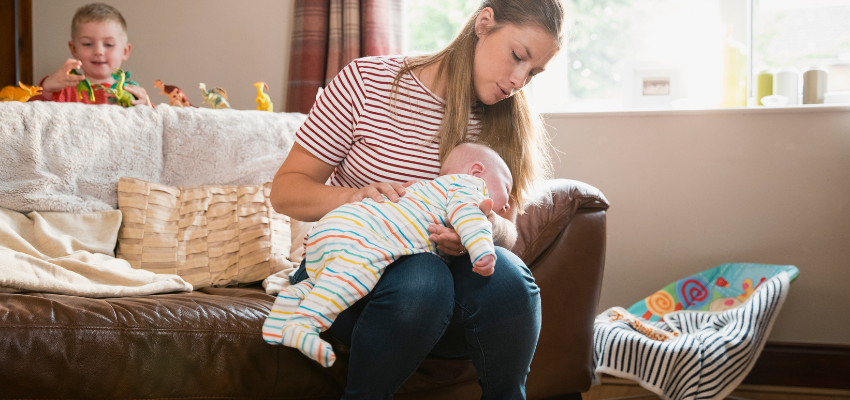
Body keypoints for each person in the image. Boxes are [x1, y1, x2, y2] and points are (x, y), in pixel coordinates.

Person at [271, 0, 565, 398]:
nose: (518, 81)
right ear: (484, 23)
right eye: (517, 57)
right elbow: (285, 190)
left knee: (510, 278)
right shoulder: (366, 82)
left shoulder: (507, 120)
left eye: (533, 72)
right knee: (424, 277)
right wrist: (355, 197)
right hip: (351, 274)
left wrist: (486, 228)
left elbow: (509, 233)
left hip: (445, 304)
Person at [263, 143, 512, 367]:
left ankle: (285, 313)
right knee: (357, 276)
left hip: (332, 229)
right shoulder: (468, 186)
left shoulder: (424, 189)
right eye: (506, 188)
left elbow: (507, 229)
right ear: (476, 172)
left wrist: (494, 229)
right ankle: (306, 324)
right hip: (365, 237)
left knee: (325, 280)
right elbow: (470, 218)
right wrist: (481, 248)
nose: (509, 204)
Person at [28, 3, 151, 106]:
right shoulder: (63, 93)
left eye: (108, 44)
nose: (98, 51)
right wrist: (46, 88)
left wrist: (147, 107)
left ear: (125, 51)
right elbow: (30, 119)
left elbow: (156, 128)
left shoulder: (132, 94)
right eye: (87, 44)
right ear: (74, 49)